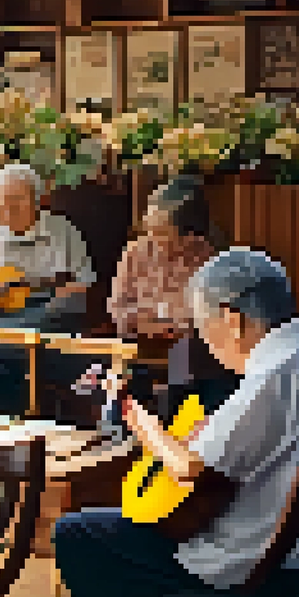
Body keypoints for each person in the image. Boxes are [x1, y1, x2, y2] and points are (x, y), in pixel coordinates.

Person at [55, 249, 299, 597]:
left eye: (204, 329)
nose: (206, 342)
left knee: (81, 536)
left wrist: (139, 421)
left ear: (233, 319)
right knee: (150, 540)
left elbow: (188, 468)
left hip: (281, 565)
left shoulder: (277, 373)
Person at [0, 163, 95, 414]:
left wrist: (55, 297)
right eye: (0, 202)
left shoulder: (63, 230)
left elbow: (82, 288)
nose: (8, 208)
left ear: (37, 200)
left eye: (17, 199)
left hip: (48, 314)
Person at [107, 176, 236, 418]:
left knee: (185, 360)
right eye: (149, 230)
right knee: (120, 380)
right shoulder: (134, 253)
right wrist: (140, 321)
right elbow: (117, 307)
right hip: (141, 349)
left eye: (162, 234)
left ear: (189, 236)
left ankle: (172, 433)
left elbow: (210, 317)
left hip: (192, 359)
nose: (152, 240)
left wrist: (177, 324)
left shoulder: (210, 260)